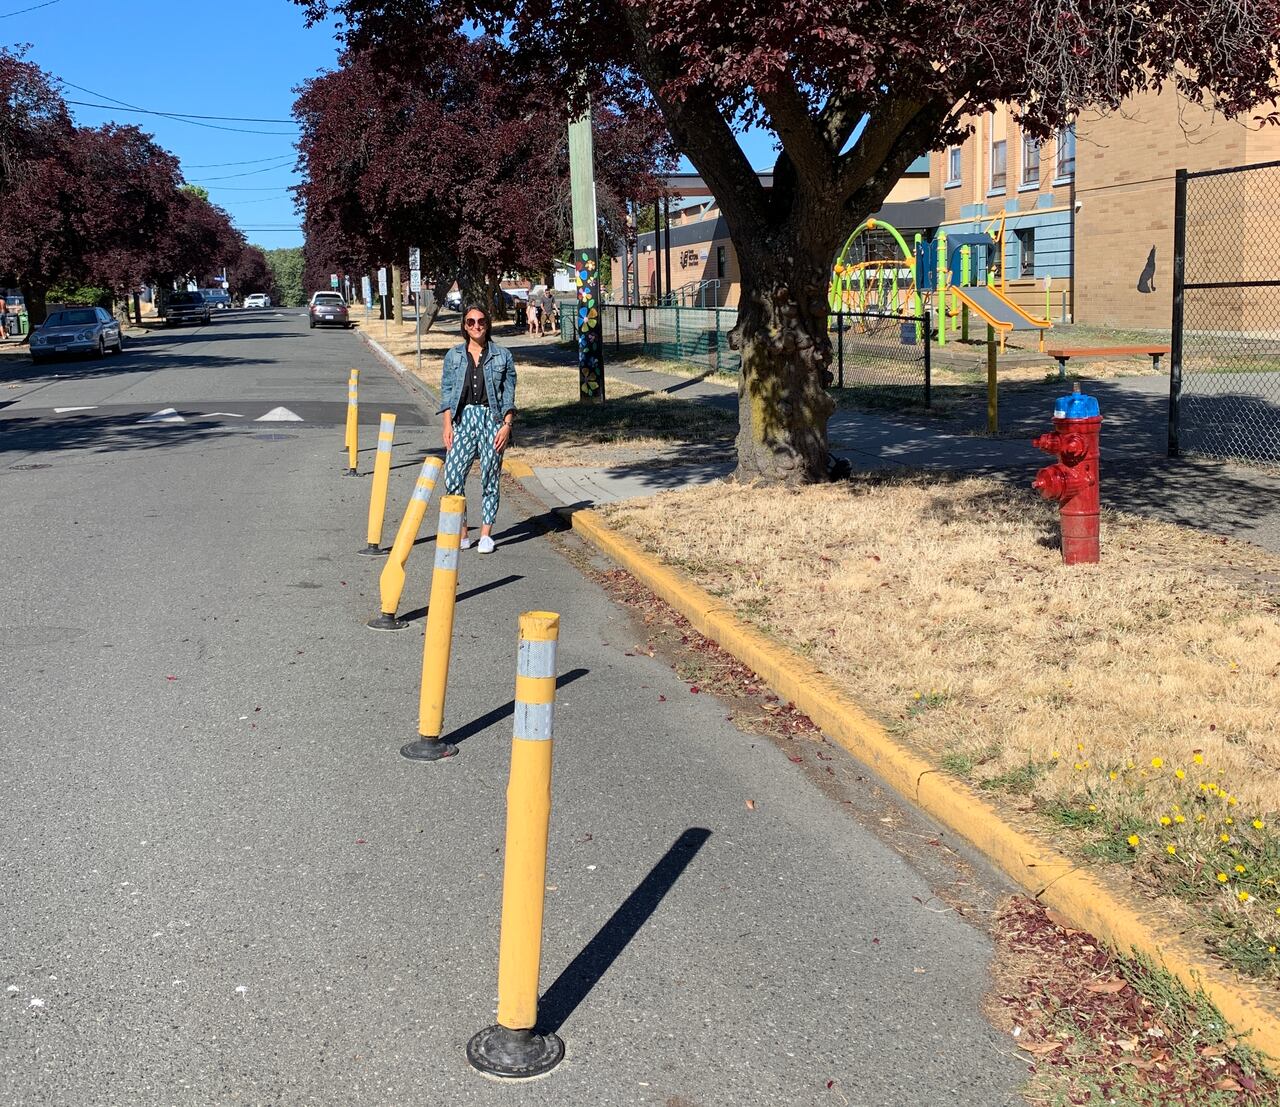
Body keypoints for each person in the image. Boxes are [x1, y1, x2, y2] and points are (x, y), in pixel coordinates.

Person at [440, 304, 517, 553]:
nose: (476, 326)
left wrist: (506, 426)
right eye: (471, 322)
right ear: (464, 325)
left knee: (490, 476)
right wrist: (447, 425)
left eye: (481, 321)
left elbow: (509, 395)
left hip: (491, 419)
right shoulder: (454, 355)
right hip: (463, 419)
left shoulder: (502, 355)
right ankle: (463, 533)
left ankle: (485, 534)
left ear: (488, 324)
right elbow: (448, 392)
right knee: (452, 475)